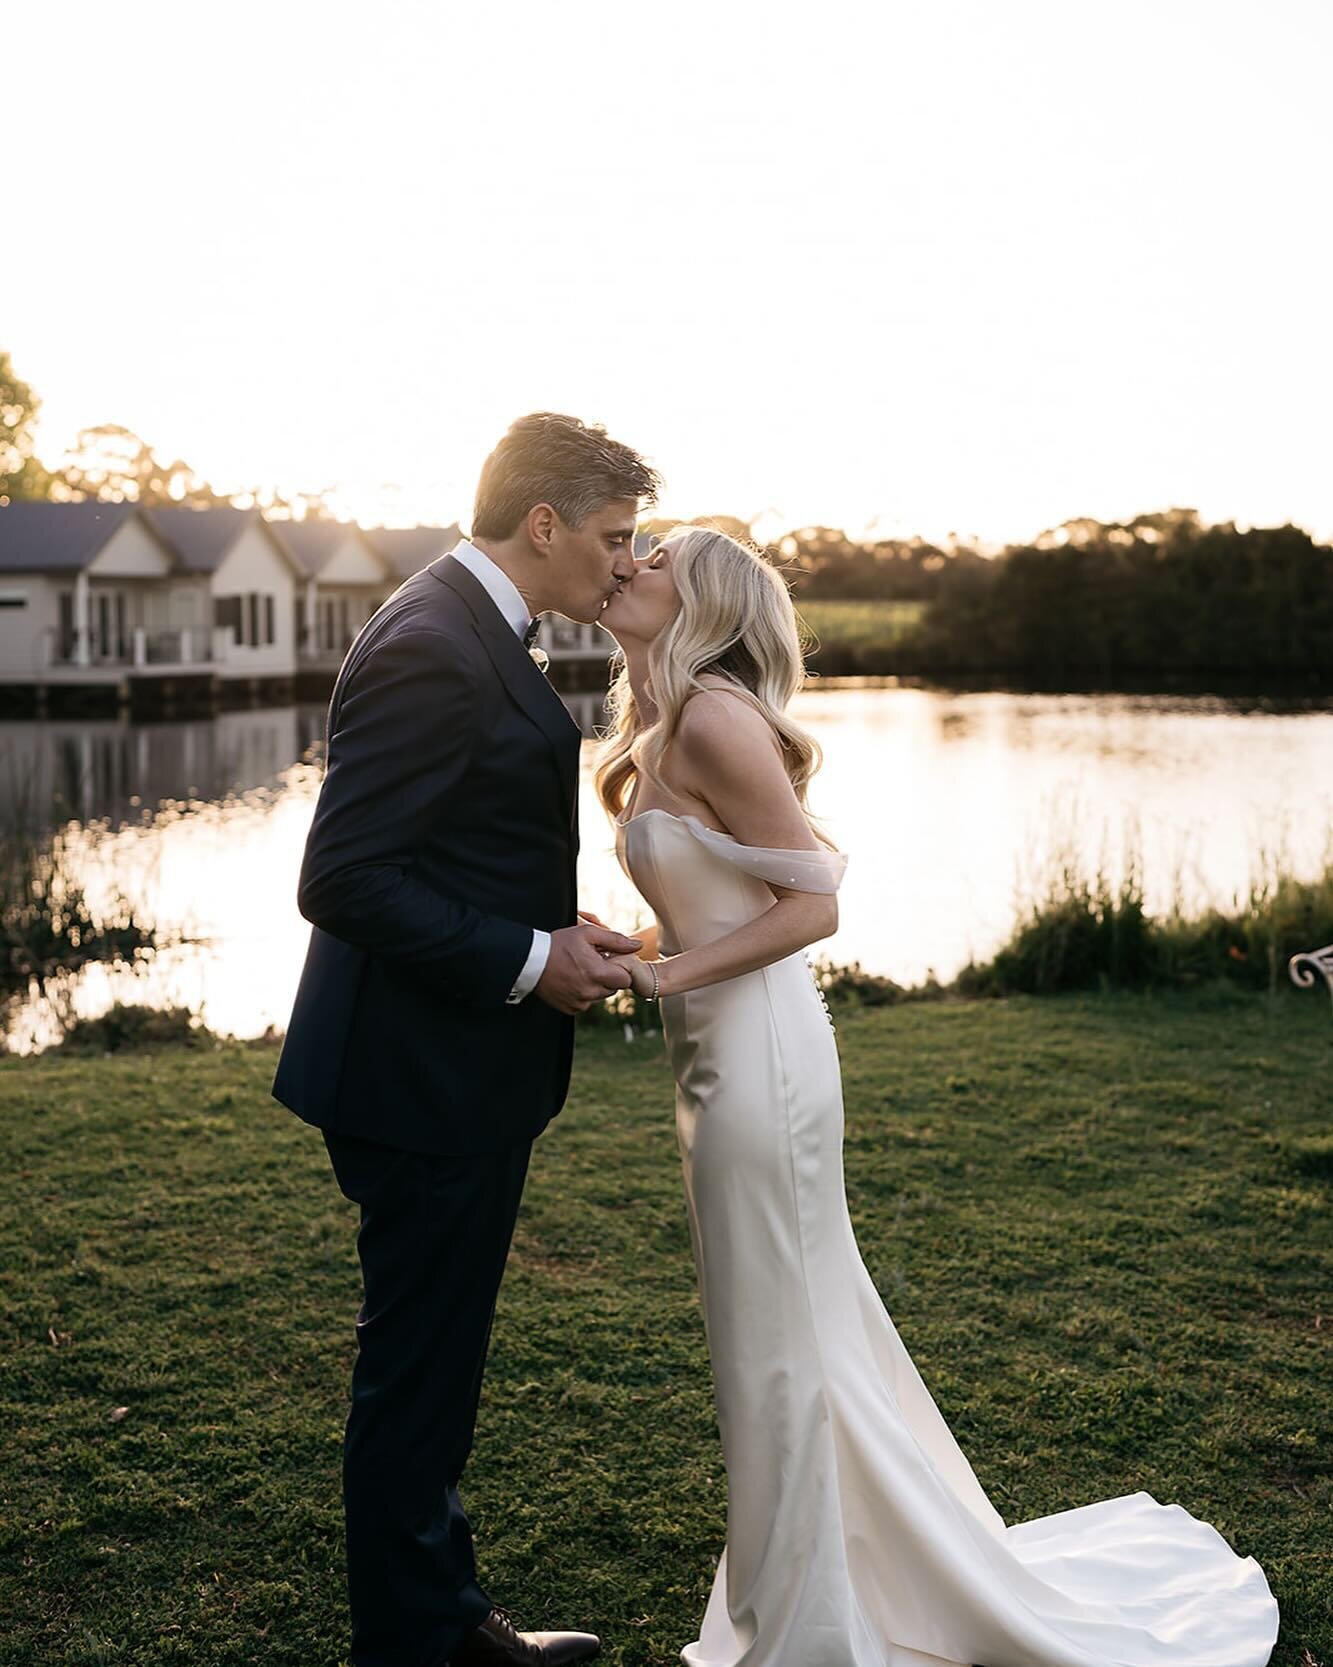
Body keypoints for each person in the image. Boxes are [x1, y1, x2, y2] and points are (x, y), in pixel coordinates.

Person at [594, 524, 1280, 1667]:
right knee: (772, 1330)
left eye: (655, 557)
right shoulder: (664, 727)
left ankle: (810, 1617)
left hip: (761, 1059)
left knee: (778, 1339)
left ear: (703, 598)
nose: (630, 565)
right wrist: (636, 946)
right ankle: (821, 1583)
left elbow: (814, 907)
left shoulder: (713, 715)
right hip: (712, 1061)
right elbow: (727, 900)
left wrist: (661, 973)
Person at [272, 413, 659, 1667]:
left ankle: (439, 1616)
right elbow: (346, 876)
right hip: (418, 1074)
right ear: (541, 524)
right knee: (418, 1369)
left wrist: (553, 922)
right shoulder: (437, 641)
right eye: (612, 536)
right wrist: (530, 959)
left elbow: (448, 841)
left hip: (445, 1063)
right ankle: (418, 1639)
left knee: (432, 1365)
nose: (624, 561)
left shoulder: (472, 618)